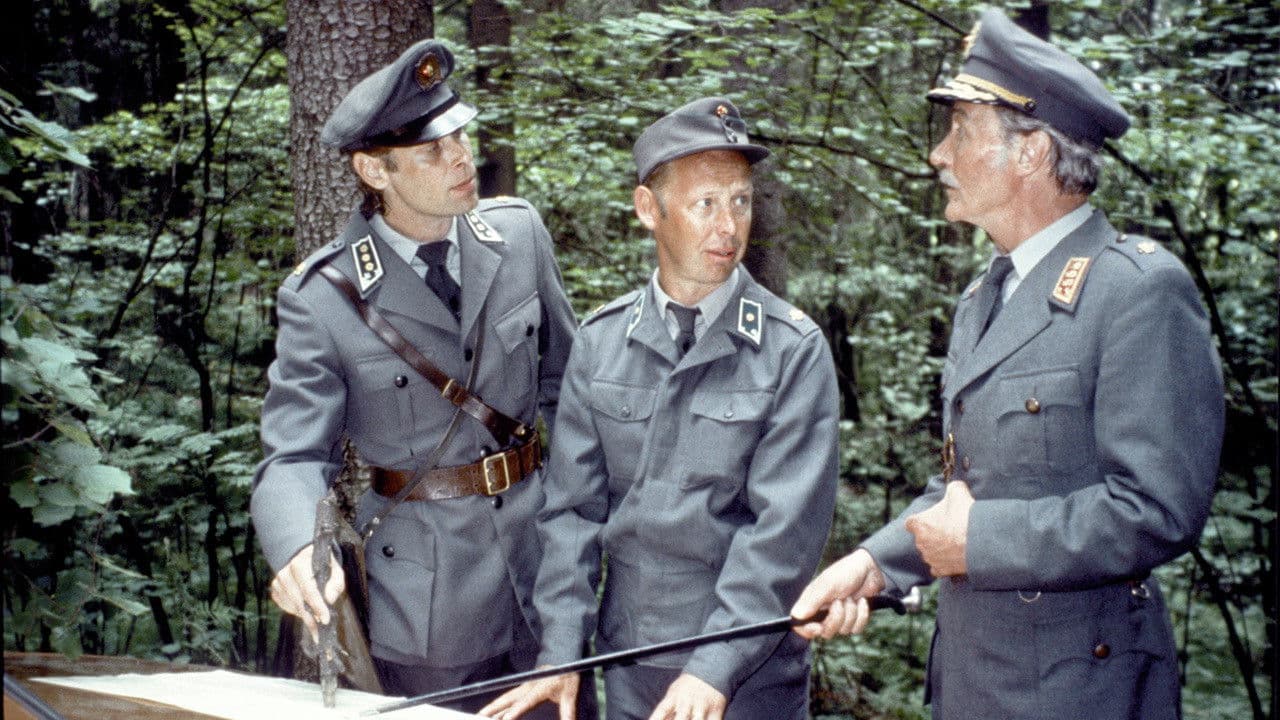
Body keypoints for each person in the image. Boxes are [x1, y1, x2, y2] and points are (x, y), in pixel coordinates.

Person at [790, 9, 1225, 720]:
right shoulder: (984, 297)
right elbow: (962, 490)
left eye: (961, 131)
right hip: (971, 681)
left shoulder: (1137, 290)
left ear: (1031, 153)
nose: (939, 154)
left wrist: (981, 542)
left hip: (1078, 694)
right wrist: (871, 566)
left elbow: (1158, 509)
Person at [250, 39, 594, 718]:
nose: (462, 157)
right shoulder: (324, 297)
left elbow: (574, 396)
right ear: (374, 169)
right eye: (434, 150)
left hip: (545, 577)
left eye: (459, 136)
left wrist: (582, 524)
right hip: (427, 605)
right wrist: (294, 543)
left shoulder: (518, 237)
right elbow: (292, 456)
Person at [480, 97, 839, 720]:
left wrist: (713, 669)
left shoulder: (792, 350)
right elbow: (571, 517)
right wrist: (561, 652)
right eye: (706, 204)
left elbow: (782, 539)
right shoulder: (601, 343)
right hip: (632, 664)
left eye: (741, 201)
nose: (728, 226)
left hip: (750, 673)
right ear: (649, 209)